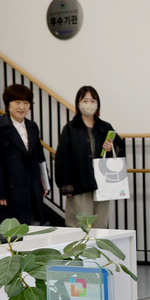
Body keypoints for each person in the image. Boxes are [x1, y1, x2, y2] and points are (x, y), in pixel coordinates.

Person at [55, 86, 125, 228]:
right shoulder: (70, 128)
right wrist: (66, 186)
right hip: (79, 183)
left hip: (102, 184)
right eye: (85, 101)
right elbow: (63, 158)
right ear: (78, 104)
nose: (89, 104)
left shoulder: (105, 127)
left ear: (98, 104)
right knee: (80, 225)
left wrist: (111, 149)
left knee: (100, 224)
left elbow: (120, 148)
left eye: (93, 101)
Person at [0, 84, 48, 225]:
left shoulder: (32, 126)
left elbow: (40, 157)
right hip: (9, 189)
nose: (22, 107)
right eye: (17, 102)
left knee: (32, 229)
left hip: (31, 186)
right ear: (8, 104)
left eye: (26, 103)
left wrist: (45, 183)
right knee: (12, 231)